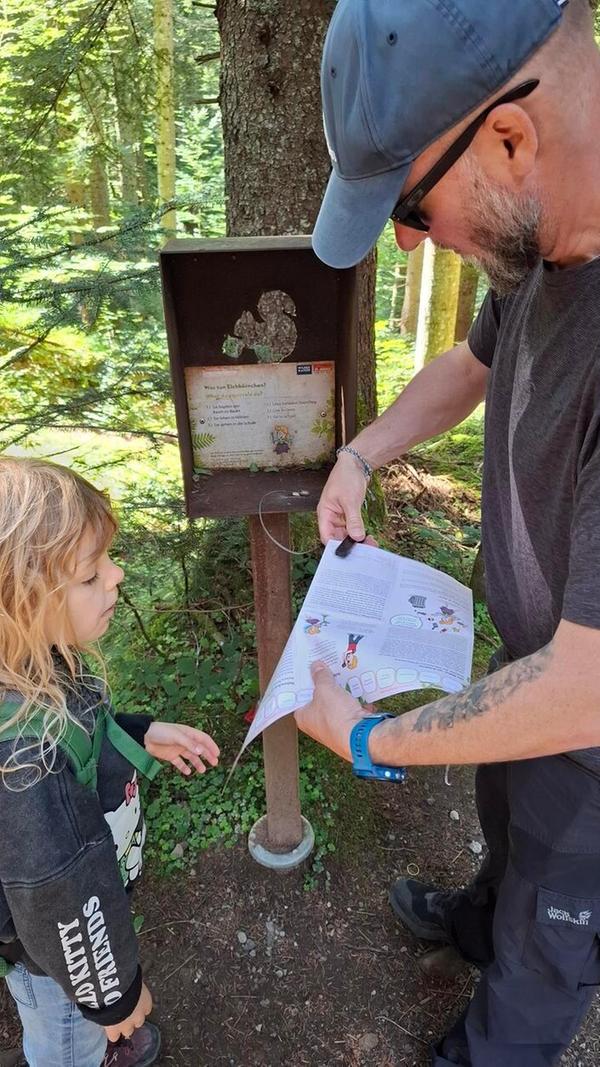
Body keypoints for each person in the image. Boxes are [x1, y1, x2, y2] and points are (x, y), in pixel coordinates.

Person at [295, 0, 600, 1063]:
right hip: (532, 664)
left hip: (591, 730)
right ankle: (477, 915)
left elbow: (585, 686)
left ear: (510, 137)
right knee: (506, 827)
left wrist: (372, 735)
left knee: (549, 939)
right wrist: (361, 452)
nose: (407, 239)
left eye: (412, 205)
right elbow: (470, 368)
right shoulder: (550, 247)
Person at [0, 457, 220, 1067]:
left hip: (61, 940)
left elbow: (84, 734)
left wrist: (138, 737)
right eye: (92, 574)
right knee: (67, 1041)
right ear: (22, 600)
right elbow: (62, 901)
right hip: (55, 963)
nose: (117, 576)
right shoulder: (24, 763)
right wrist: (115, 996)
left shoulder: (35, 664)